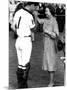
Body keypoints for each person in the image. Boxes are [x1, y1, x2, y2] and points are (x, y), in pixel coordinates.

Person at [11, 3, 35, 88]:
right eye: (34, 6)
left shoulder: (17, 12)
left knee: (20, 64)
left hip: (18, 40)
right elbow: (33, 29)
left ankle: (20, 85)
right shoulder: (29, 15)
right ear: (31, 5)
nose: (35, 8)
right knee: (26, 64)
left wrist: (18, 32)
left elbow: (12, 26)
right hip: (26, 41)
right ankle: (23, 86)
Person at [37, 5, 59, 87]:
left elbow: (56, 35)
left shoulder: (54, 21)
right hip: (45, 43)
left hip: (51, 44)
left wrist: (48, 32)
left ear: (51, 12)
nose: (45, 13)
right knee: (47, 62)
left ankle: (52, 82)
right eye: (45, 11)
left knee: (51, 63)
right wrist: (35, 14)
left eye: (47, 11)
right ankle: (51, 80)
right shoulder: (46, 20)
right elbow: (39, 21)